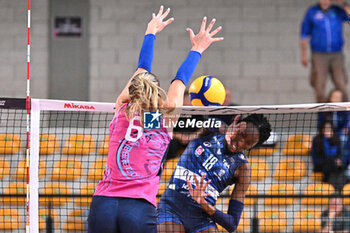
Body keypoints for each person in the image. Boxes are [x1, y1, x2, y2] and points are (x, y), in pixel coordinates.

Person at [88, 6, 224, 233]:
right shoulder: (165, 119)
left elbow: (142, 68)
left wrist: (150, 32)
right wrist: (197, 48)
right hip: (139, 208)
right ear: (158, 93)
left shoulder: (122, 109)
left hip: (103, 203)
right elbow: (180, 80)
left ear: (133, 91)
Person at [157, 114, 272, 233]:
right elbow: (210, 122)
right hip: (171, 207)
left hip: (201, 215)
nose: (240, 143)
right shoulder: (210, 133)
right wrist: (226, 129)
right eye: (241, 134)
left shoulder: (243, 169)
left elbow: (232, 224)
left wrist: (203, 202)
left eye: (248, 143)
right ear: (236, 125)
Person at [300, 0, 350, 103]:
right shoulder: (312, 12)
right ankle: (322, 116)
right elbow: (304, 35)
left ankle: (346, 115)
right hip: (319, 54)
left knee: (341, 83)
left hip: (337, 54)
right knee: (319, 86)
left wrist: (343, 4)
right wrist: (303, 54)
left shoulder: (337, 10)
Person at [311, 121, 344, 189]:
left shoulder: (336, 139)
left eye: (329, 128)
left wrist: (337, 161)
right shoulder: (317, 139)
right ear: (322, 129)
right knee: (330, 165)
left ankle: (328, 185)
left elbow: (339, 154)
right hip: (320, 164)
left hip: (332, 165)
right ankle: (334, 188)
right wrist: (325, 139)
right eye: (325, 128)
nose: (327, 130)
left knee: (334, 166)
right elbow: (315, 157)